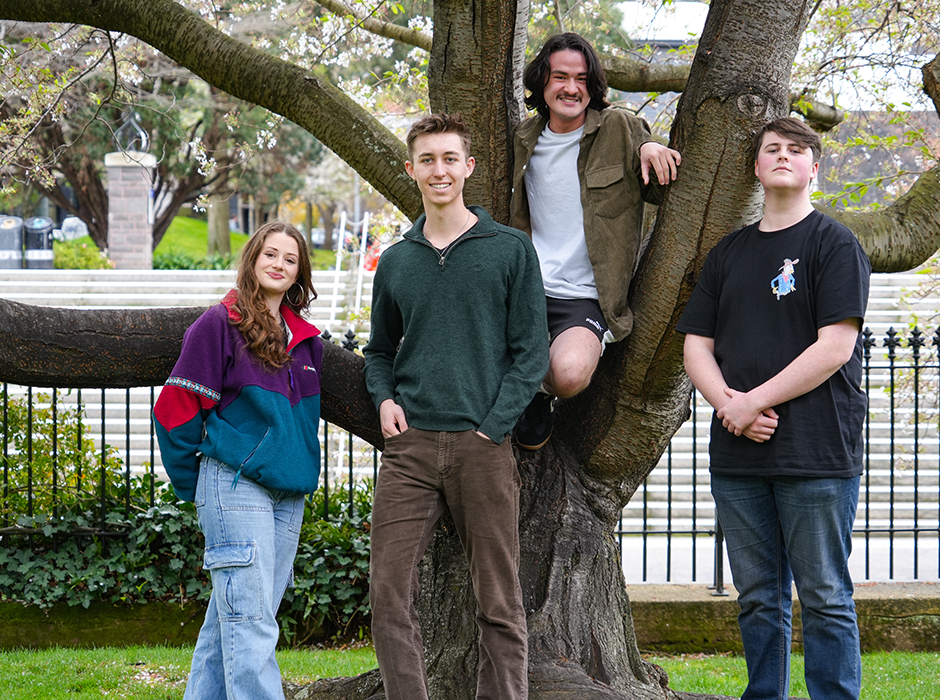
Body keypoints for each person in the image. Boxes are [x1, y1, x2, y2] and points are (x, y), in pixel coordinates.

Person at [677, 117, 871, 700]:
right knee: (758, 597)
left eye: (796, 150)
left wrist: (751, 401)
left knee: (825, 596)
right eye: (771, 149)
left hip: (816, 452)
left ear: (815, 168)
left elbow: (835, 346)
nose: (783, 156)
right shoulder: (728, 253)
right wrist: (729, 408)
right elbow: (696, 348)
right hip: (738, 459)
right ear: (756, 169)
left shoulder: (834, 243)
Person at [363, 113, 549, 700]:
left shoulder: (510, 250)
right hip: (411, 448)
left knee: (498, 600)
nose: (438, 170)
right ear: (412, 169)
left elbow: (532, 353)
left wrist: (494, 427)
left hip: (483, 447)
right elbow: (378, 352)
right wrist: (385, 398)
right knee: (388, 595)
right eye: (427, 160)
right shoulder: (396, 261)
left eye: (449, 159)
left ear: (468, 167)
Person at [154, 221, 323, 700]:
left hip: (288, 496)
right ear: (252, 259)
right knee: (251, 629)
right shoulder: (219, 324)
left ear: (299, 274)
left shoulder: (307, 342)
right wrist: (200, 488)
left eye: (290, 260)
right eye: (270, 254)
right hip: (234, 486)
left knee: (236, 623)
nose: (279, 264)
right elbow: (174, 411)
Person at [509, 31, 682, 449]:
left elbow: (661, 183)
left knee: (568, 374)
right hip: (525, 291)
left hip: (586, 297)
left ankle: (535, 390)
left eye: (583, 79)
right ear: (541, 82)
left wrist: (653, 146)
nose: (572, 88)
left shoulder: (619, 127)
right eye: (561, 76)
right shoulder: (522, 140)